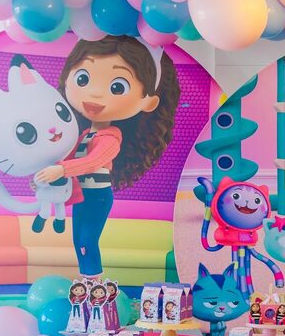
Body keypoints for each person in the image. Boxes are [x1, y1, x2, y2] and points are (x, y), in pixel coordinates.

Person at [34, 36, 179, 279]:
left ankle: (94, 285)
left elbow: (92, 162)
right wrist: (45, 179)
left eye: (117, 87)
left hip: (97, 197)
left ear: (149, 102)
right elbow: (67, 163)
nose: (94, 93)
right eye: (83, 79)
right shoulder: (83, 135)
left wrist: (61, 170)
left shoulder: (111, 138)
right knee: (78, 240)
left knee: (87, 240)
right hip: (82, 196)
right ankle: (86, 282)